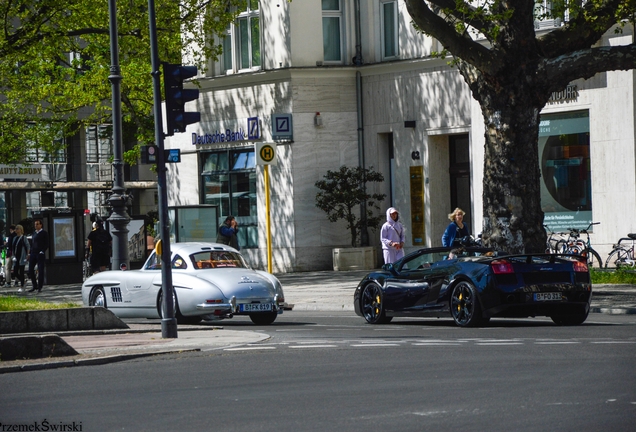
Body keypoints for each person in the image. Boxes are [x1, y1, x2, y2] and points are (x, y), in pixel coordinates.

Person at [28, 218, 49, 293]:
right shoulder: (34, 233)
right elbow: (32, 244)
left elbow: (47, 244)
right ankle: (34, 285)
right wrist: (30, 252)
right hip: (33, 253)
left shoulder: (44, 233)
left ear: (41, 225)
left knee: (40, 270)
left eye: (37, 224)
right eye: (35, 224)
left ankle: (40, 286)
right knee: (30, 270)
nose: (36, 226)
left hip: (40, 254)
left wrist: (42, 251)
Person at [12, 225, 30, 292]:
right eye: (15, 229)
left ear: (20, 229)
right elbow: (13, 248)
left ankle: (22, 286)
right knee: (15, 272)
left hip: (22, 257)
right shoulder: (15, 238)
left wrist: (27, 255)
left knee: (21, 271)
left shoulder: (24, 238)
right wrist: (13, 256)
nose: (16, 230)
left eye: (17, 229)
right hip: (16, 257)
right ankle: (23, 281)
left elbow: (28, 246)